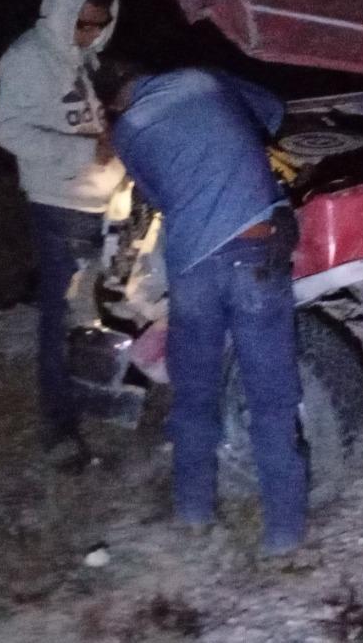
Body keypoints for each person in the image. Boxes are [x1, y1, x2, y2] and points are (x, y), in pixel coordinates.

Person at [96, 61, 307, 556]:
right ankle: (284, 535)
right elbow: (272, 112)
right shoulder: (203, 80)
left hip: (193, 266)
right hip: (256, 251)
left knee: (194, 393)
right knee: (272, 400)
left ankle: (194, 514)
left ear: (112, 105)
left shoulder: (128, 132)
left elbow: (160, 196)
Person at [0, 0, 124, 467]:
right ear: (62, 10)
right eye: (83, 24)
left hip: (100, 200)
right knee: (64, 314)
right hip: (60, 204)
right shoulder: (27, 57)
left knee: (100, 304)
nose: (90, 33)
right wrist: (84, 153)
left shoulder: (81, 56)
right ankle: (58, 427)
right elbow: (9, 132)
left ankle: (101, 393)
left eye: (99, 25)